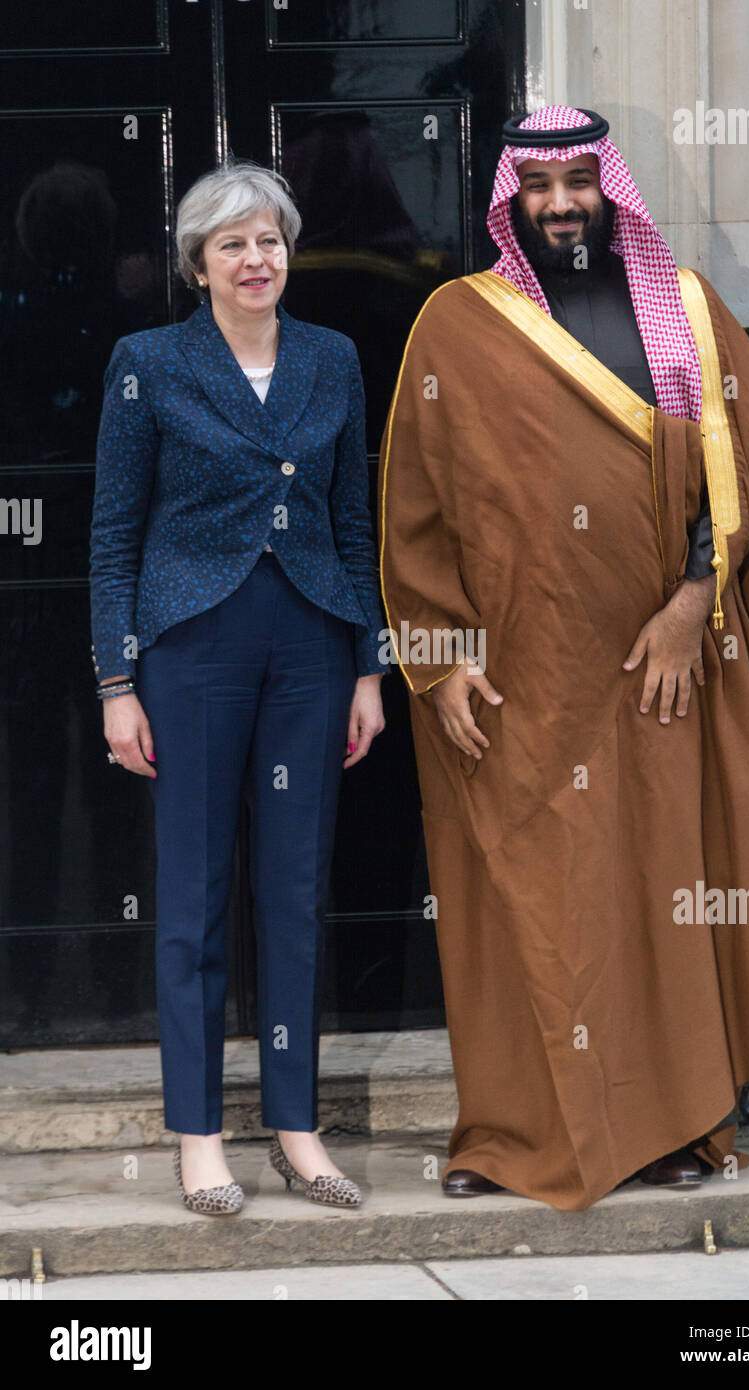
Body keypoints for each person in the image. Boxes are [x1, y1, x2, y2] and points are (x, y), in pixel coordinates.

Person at [378, 106, 749, 1210]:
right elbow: (415, 509)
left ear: (610, 191)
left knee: (659, 892)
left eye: (580, 182)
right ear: (509, 201)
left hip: (661, 672)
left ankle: (669, 1126)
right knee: (521, 892)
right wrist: (439, 659)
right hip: (516, 674)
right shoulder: (455, 326)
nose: (562, 202)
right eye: (540, 186)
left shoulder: (692, 319)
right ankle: (507, 1131)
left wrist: (694, 600)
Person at [89, 158, 387, 1215]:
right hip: (192, 649)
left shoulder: (333, 358)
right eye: (232, 245)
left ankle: (299, 1132)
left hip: (310, 640)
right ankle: (200, 1139)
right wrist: (117, 681)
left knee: (296, 892)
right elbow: (114, 533)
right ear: (198, 265)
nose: (255, 260)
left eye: (268, 241)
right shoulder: (147, 362)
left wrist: (367, 664)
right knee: (195, 901)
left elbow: (354, 520)